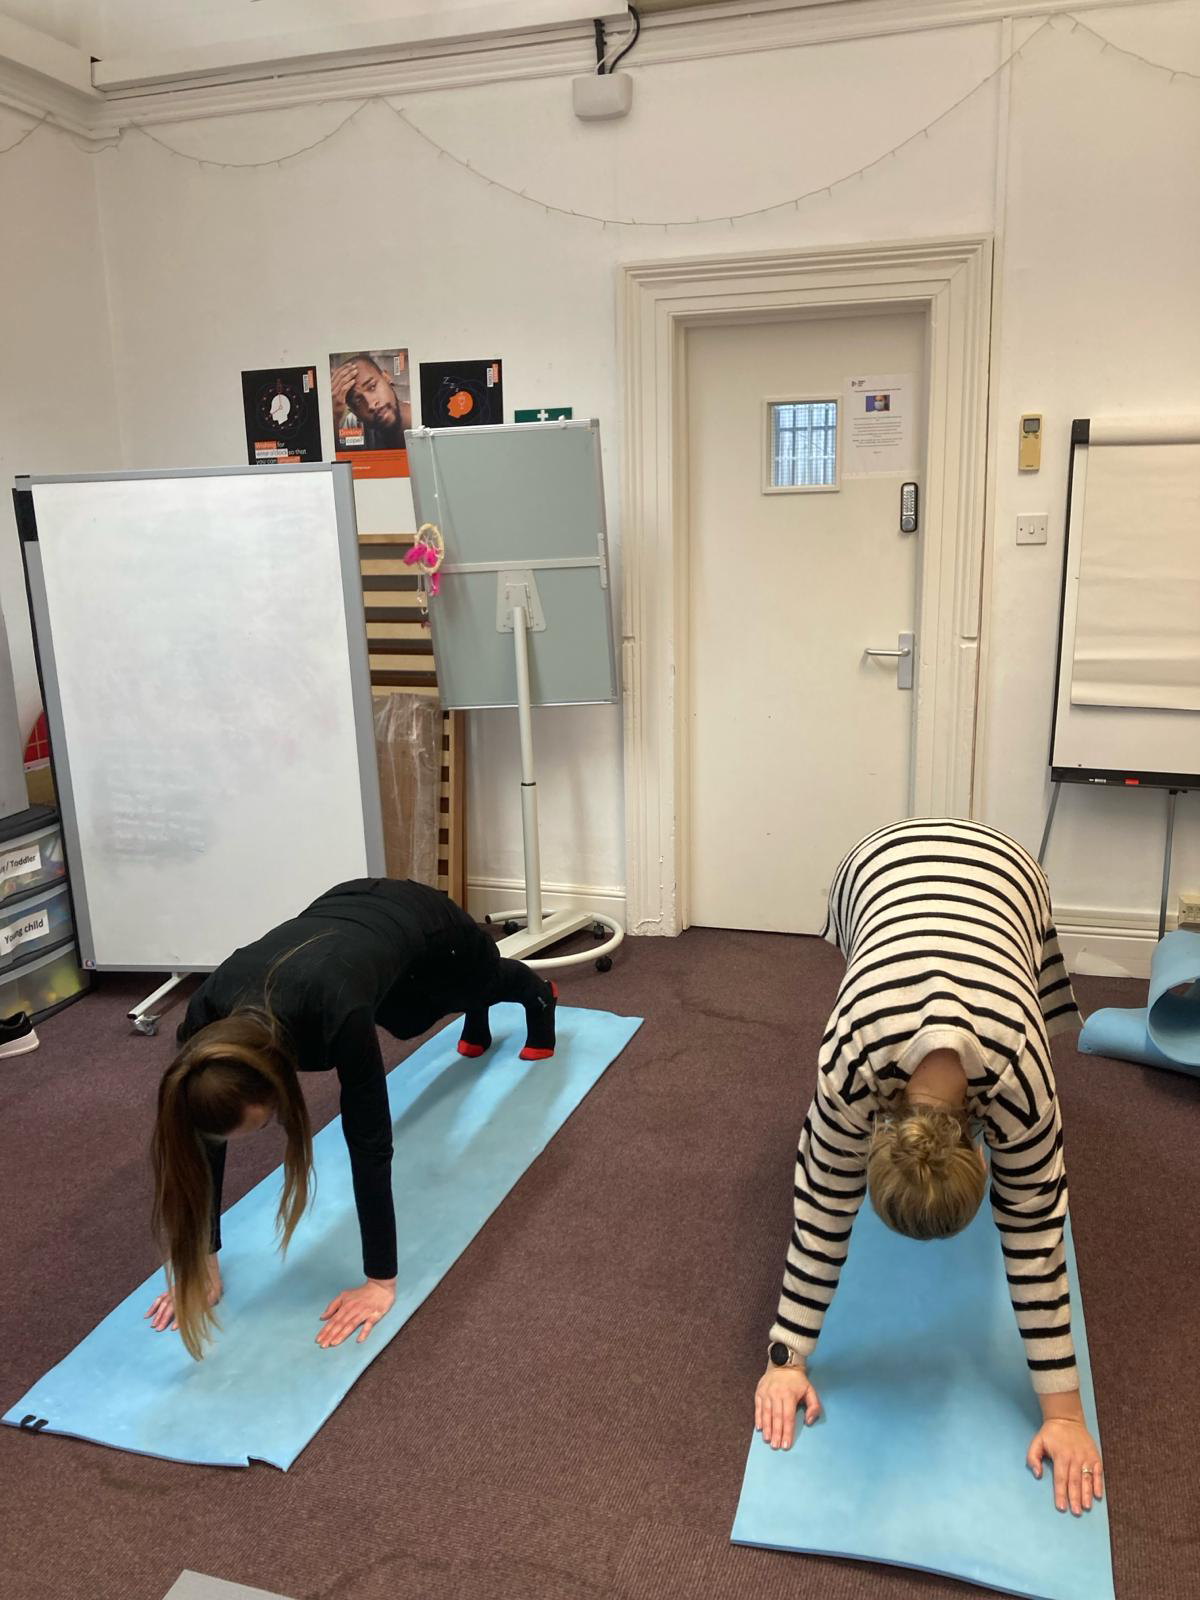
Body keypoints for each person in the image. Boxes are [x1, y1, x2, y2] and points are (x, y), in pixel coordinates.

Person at [755, 817, 1105, 1518]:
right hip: (875, 867)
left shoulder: (1021, 1083)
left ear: (983, 1146)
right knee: (869, 972)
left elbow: (1036, 1232)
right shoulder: (849, 1062)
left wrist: (1066, 1415)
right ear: (871, 1135)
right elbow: (821, 1204)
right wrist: (784, 1360)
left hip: (1009, 874)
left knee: (1039, 1175)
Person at [146, 878, 555, 1361]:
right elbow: (200, 1147)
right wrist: (202, 1264)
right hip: (342, 923)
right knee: (407, 1008)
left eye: (259, 1126)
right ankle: (473, 1011)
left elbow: (370, 1140)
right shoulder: (206, 1025)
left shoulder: (333, 1010)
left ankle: (539, 997)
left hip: (423, 923)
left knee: (468, 985)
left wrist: (380, 1281)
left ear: (279, 1082)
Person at [330, 354, 411, 450]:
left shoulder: (423, 417)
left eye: (372, 387)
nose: (371, 404)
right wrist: (334, 416)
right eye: (358, 400)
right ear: (353, 411)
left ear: (387, 378)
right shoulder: (354, 427)